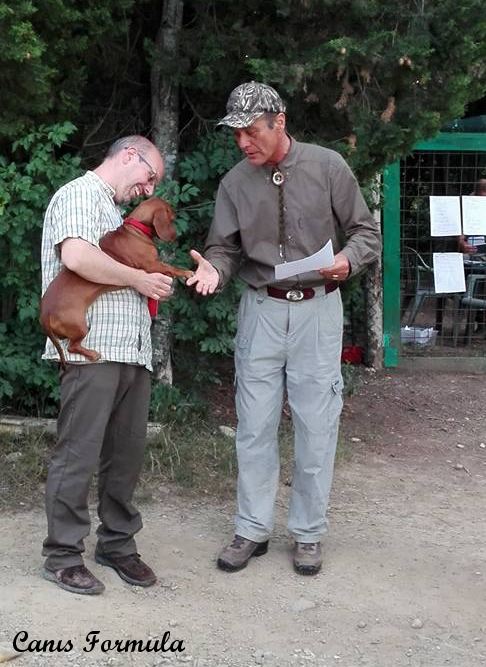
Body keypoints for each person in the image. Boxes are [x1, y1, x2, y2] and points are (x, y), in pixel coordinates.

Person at [187, 82, 381, 575]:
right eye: (236, 135)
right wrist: (214, 268)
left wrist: (347, 260)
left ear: (280, 121)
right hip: (260, 311)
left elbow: (366, 232)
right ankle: (251, 530)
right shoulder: (233, 183)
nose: (243, 143)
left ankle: (309, 534)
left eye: (251, 131)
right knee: (253, 425)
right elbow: (224, 248)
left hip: (318, 310)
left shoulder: (328, 166)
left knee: (317, 424)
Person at [41, 135, 173, 595]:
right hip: (91, 347)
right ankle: (62, 555)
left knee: (125, 456)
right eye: (149, 176)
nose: (147, 188)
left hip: (131, 350)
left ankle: (116, 545)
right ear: (129, 155)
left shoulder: (116, 215)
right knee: (78, 453)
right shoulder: (79, 194)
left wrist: (150, 281)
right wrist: (140, 277)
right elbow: (76, 256)